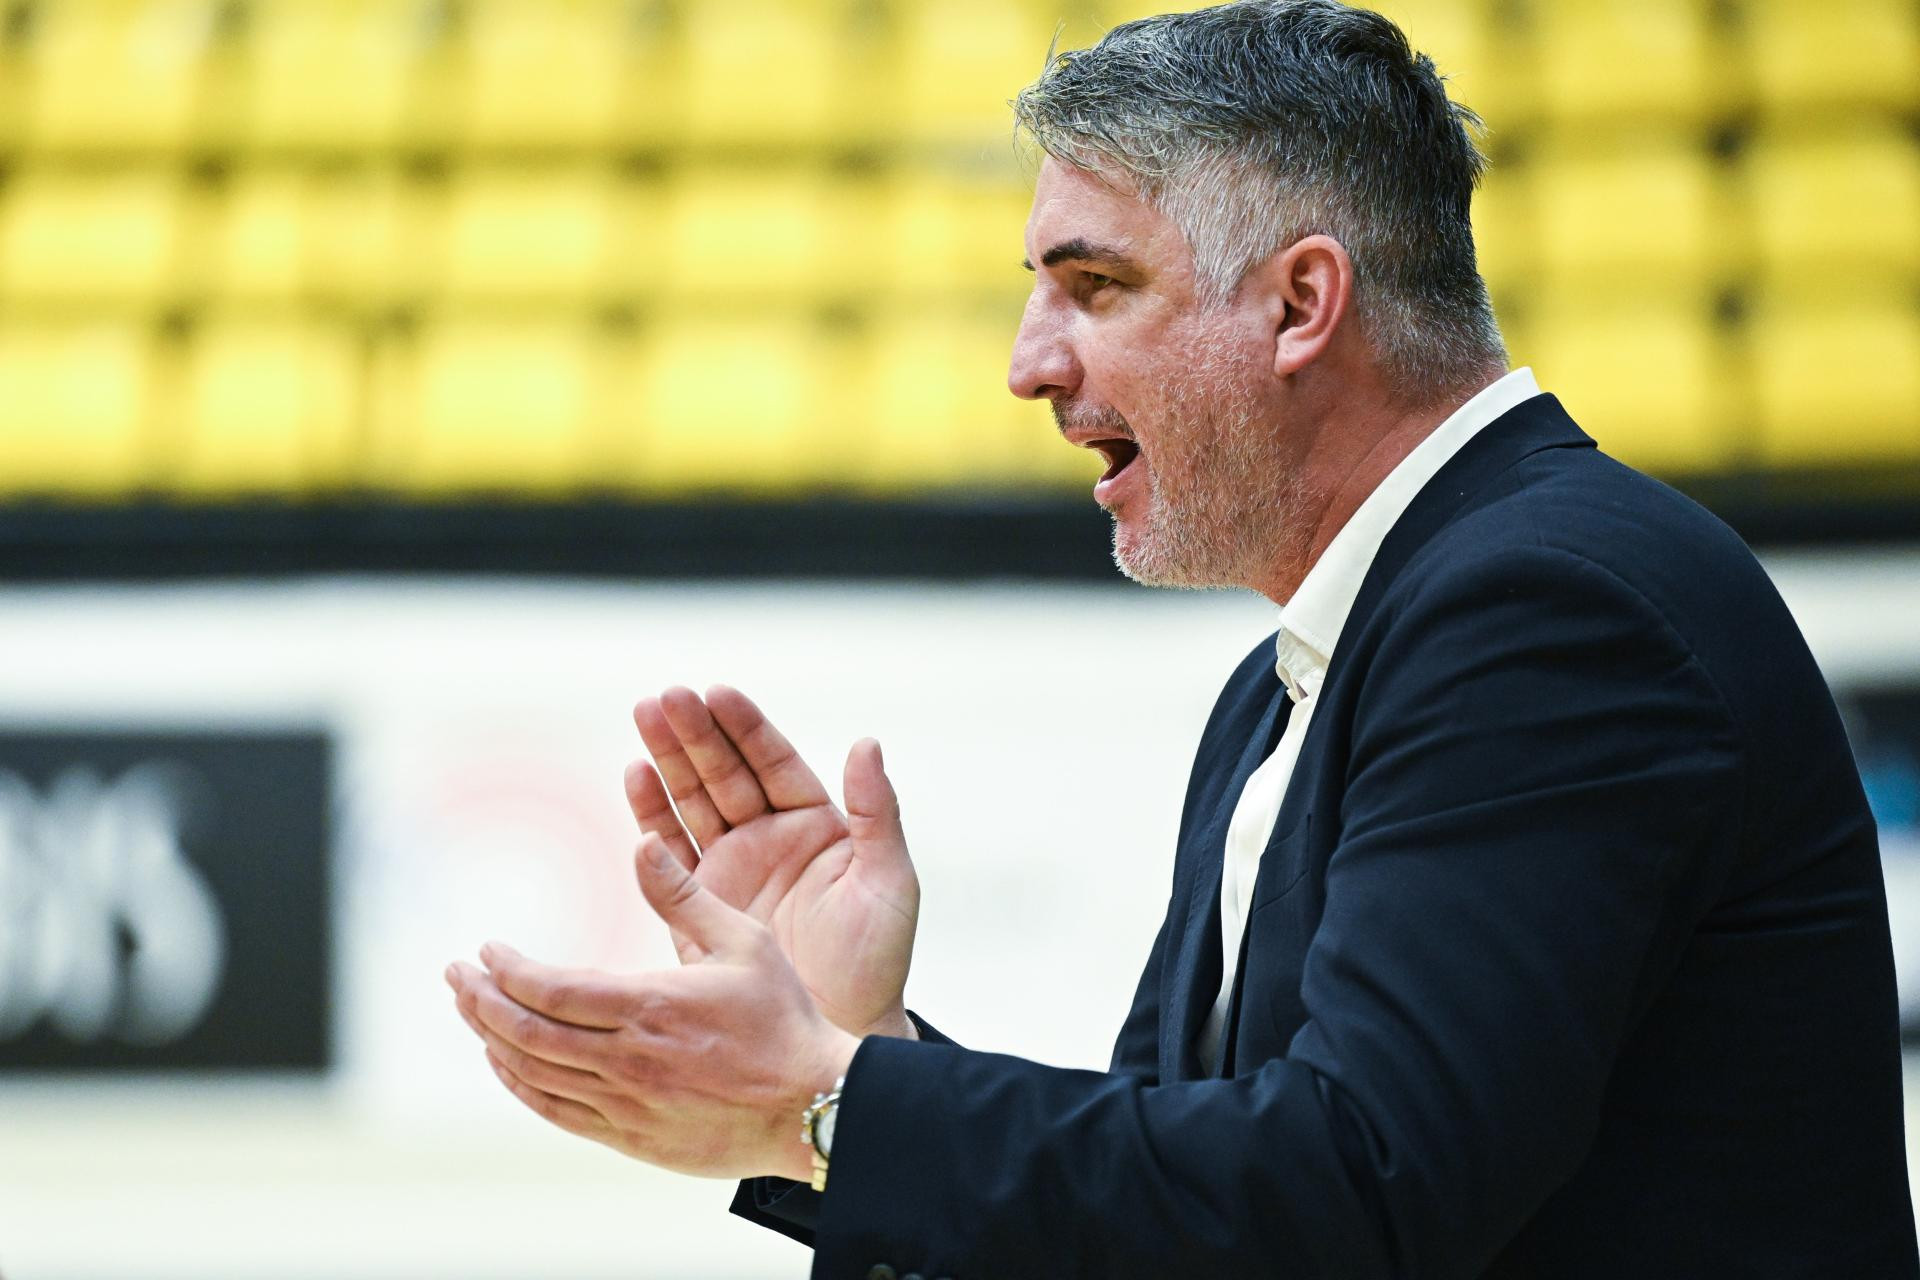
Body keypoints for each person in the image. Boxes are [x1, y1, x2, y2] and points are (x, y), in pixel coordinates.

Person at [444, 2, 1920, 1275]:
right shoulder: (1294, 680)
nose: (1028, 364)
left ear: (1301, 303)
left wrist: (829, 1108)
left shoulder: (1546, 612)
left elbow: (1365, 1189)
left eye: (1094, 286)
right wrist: (860, 1044)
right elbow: (1195, 1216)